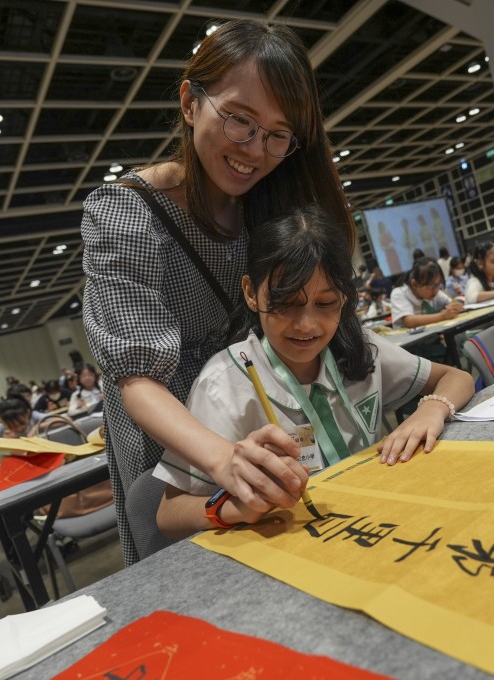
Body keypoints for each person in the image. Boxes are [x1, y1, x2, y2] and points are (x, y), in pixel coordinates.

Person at [81, 19, 354, 565]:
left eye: (278, 135)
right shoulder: (127, 212)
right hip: (177, 443)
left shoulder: (275, 203)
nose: (255, 150)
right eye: (240, 121)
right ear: (189, 102)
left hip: (264, 419)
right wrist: (225, 461)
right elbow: (137, 379)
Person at [151, 205, 474, 540]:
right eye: (286, 302)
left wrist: (433, 408)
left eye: (325, 304)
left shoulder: (357, 345)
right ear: (250, 292)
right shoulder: (224, 385)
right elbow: (168, 513)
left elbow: (457, 377)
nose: (307, 325)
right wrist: (236, 509)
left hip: (387, 521)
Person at [390, 257, 464, 329]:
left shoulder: (434, 292)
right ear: (414, 284)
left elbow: (453, 304)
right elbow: (409, 321)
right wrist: (442, 316)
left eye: (438, 285)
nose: (436, 290)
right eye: (431, 287)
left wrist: (453, 308)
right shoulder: (399, 293)